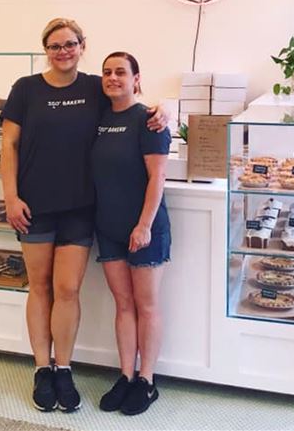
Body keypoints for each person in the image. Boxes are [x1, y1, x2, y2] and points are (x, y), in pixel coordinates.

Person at [0, 19, 168, 413]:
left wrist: (165, 111)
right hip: (33, 207)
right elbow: (8, 145)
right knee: (39, 287)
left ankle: (64, 369)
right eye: (55, 46)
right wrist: (10, 197)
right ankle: (42, 369)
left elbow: (133, 103)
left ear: (81, 46)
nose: (63, 51)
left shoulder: (95, 86)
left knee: (67, 290)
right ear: (45, 49)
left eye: (70, 44)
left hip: (79, 208)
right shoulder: (26, 89)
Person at [91, 51, 171, 415]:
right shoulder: (99, 117)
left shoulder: (149, 120)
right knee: (123, 304)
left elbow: (158, 177)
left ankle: (146, 381)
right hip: (108, 227)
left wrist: (144, 225)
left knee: (146, 305)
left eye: (121, 72)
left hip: (145, 229)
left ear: (136, 79)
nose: (112, 78)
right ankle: (125, 376)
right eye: (107, 72)